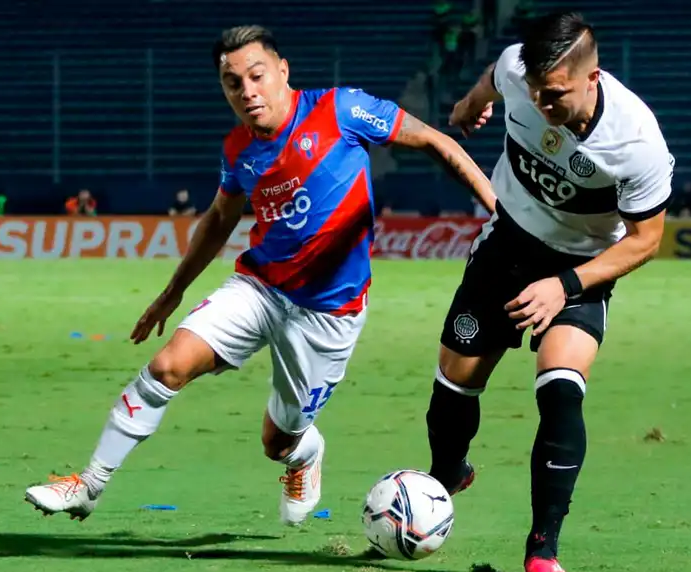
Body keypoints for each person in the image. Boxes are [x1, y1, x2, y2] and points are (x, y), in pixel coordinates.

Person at [24, 25, 496, 527]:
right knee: (167, 366)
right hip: (260, 288)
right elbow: (219, 219)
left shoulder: (341, 110)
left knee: (279, 441)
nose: (247, 91)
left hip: (329, 315)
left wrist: (498, 213)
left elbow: (434, 142)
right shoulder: (238, 150)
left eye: (257, 76)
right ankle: (89, 485)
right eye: (233, 83)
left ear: (282, 72)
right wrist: (172, 293)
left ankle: (304, 454)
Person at [426, 12, 674, 572]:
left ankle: (543, 544)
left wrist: (563, 286)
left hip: (579, 267)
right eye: (536, 91)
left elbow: (646, 240)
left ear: (593, 78)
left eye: (556, 93)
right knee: (454, 382)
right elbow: (498, 72)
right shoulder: (520, 71)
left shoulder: (637, 142)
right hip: (508, 240)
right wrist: (470, 102)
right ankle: (445, 476)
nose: (542, 104)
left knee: (560, 390)